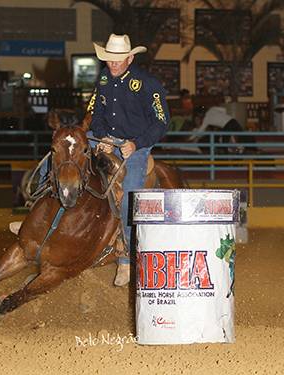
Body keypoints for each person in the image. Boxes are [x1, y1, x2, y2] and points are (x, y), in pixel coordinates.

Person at [89, 34, 169, 286]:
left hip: (135, 145)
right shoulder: (103, 79)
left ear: (130, 58)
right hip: (108, 139)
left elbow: (161, 121)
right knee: (66, 147)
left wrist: (136, 144)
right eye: (109, 59)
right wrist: (100, 136)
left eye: (118, 60)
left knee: (132, 194)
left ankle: (125, 257)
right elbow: (96, 113)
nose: (112, 64)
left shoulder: (147, 84)